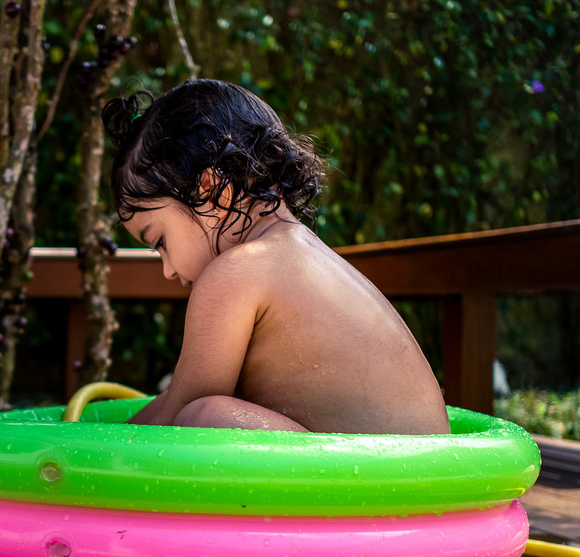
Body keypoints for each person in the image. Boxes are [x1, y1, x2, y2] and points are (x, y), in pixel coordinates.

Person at [102, 79, 450, 435]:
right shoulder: (305, 254)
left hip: (383, 482)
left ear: (209, 191)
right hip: (438, 476)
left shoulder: (235, 273)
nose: (167, 269)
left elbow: (173, 419)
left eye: (160, 241)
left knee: (201, 418)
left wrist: (91, 447)